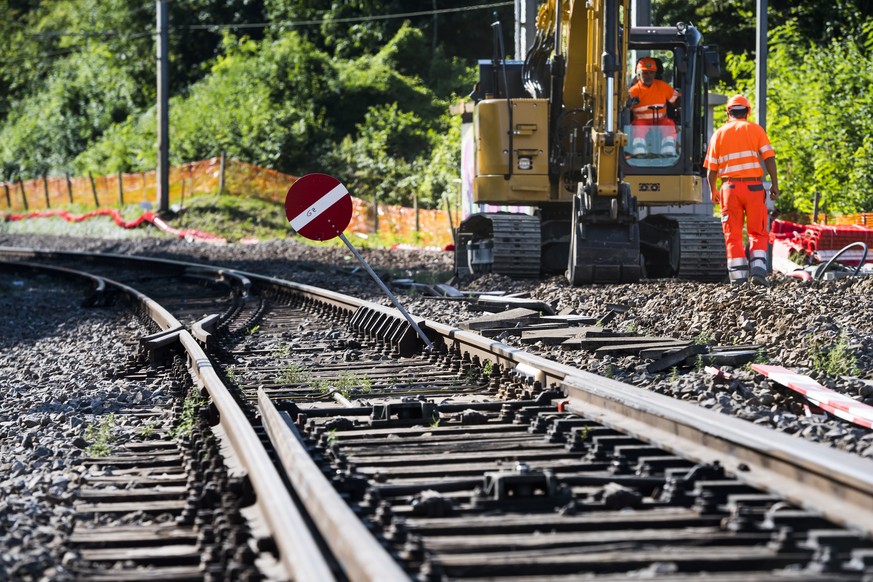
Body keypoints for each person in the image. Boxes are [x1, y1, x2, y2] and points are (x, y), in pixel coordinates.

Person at [703, 94, 779, 286]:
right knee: (758, 232)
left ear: (728, 112)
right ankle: (758, 270)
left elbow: (711, 170)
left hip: (730, 189)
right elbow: (769, 158)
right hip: (754, 188)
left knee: (733, 234)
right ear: (747, 112)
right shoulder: (755, 130)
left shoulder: (719, 134)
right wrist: (775, 184)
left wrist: (713, 190)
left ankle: (738, 279)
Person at [627, 57, 680, 156]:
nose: (649, 76)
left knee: (669, 124)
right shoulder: (633, 91)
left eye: (651, 72)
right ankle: (639, 153)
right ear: (638, 75)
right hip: (641, 122)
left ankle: (668, 152)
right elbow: (625, 107)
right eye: (645, 73)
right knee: (637, 127)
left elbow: (677, 100)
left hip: (661, 121)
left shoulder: (663, 86)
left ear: (655, 73)